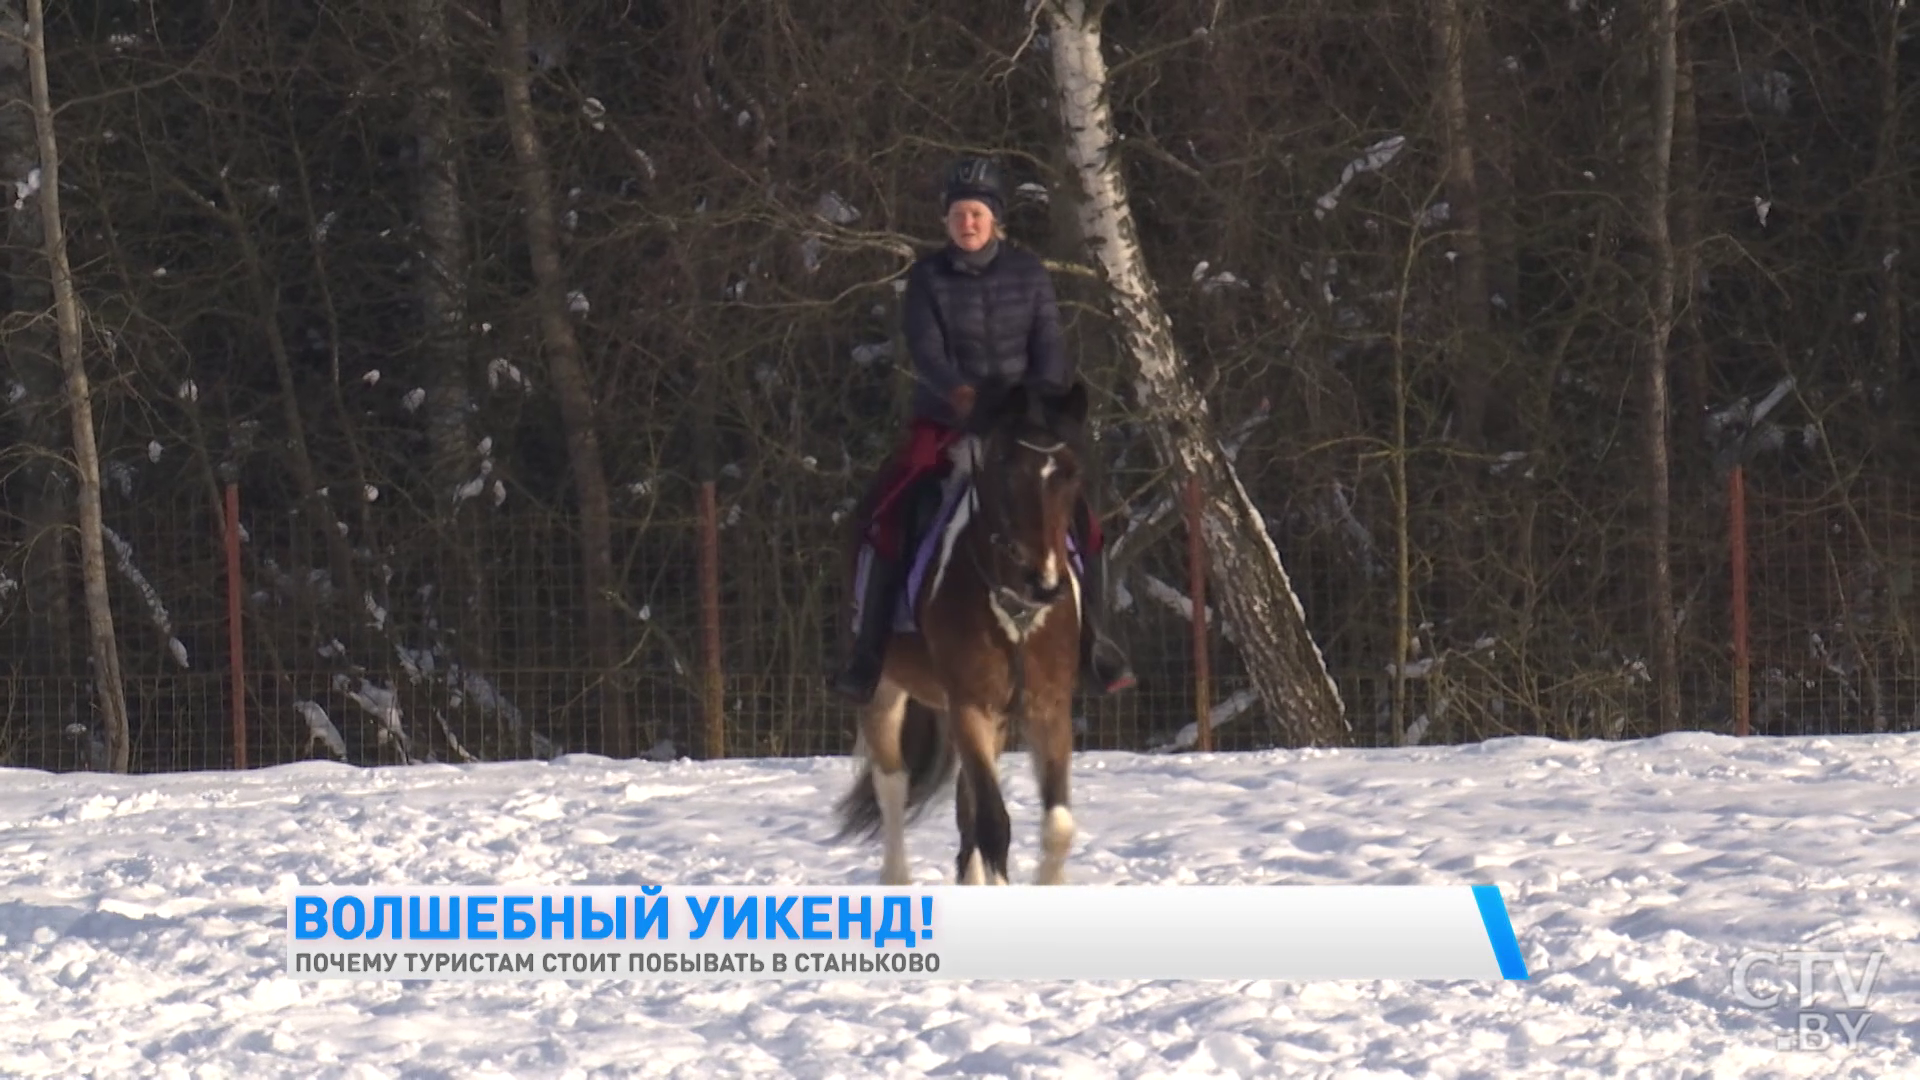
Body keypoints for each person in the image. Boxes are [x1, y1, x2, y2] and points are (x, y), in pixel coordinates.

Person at [828, 156, 1137, 705]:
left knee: (1084, 524)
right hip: (952, 423)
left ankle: (1097, 645)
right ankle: (869, 651)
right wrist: (960, 396)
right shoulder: (927, 277)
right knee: (885, 514)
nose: (966, 224)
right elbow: (926, 350)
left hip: (1023, 425)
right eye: (957, 215)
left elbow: (1049, 343)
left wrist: (1040, 400)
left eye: (976, 214)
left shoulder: (1029, 272)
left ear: (995, 219)